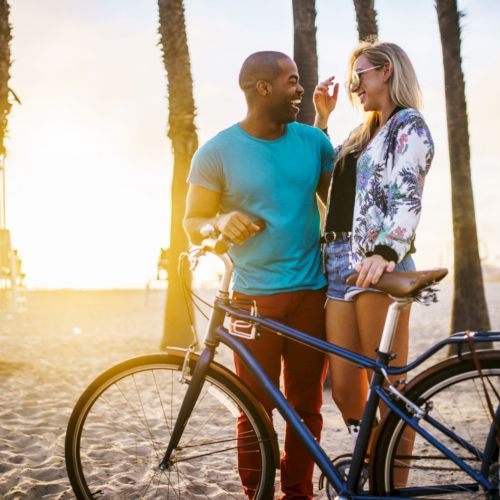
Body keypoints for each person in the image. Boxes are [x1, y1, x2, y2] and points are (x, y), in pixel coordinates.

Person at [184, 51, 334, 499]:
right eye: (291, 81)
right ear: (262, 87)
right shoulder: (216, 152)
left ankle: (298, 494)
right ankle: (258, 494)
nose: (300, 89)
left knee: (306, 407)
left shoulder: (314, 142)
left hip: (312, 294)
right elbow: (192, 221)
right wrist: (219, 221)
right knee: (253, 410)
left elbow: (337, 202)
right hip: (251, 301)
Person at [313, 41, 434, 442]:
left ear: (386, 71)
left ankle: (391, 488)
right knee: (347, 392)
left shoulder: (408, 126)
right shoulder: (361, 132)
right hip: (337, 262)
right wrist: (322, 119)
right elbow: (326, 180)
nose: (353, 87)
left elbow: (406, 196)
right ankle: (371, 471)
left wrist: (384, 252)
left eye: (358, 76)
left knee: (390, 393)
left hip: (377, 263)